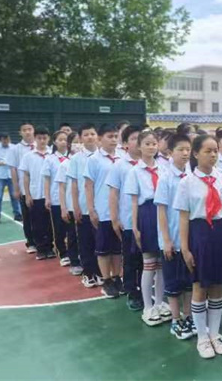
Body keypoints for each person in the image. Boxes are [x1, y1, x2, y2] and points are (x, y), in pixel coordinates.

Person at [175, 134, 222, 359]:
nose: (213, 155)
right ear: (195, 153)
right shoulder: (187, 182)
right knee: (200, 286)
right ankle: (202, 337)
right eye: (208, 151)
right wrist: (185, 247)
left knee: (218, 286)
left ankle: (215, 334)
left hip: (220, 233)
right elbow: (184, 217)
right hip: (199, 234)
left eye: (215, 151)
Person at [125, 130, 171, 325]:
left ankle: (160, 302)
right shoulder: (135, 171)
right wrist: (135, 226)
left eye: (154, 144)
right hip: (146, 215)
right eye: (147, 144)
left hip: (162, 213)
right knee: (149, 264)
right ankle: (147, 307)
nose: (151, 147)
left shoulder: (164, 168)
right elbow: (134, 202)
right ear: (139, 146)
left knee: (161, 264)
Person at [154, 133, 196, 340]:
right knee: (173, 284)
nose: (185, 153)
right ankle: (175, 320)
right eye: (181, 149)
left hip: (187, 240)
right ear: (170, 153)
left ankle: (188, 316)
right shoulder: (165, 178)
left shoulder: (191, 176)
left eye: (188, 149)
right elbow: (161, 211)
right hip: (171, 239)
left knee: (188, 282)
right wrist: (167, 240)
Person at [107, 125, 144, 311]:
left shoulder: (156, 164)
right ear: (125, 144)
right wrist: (115, 219)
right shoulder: (120, 165)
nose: (138, 142)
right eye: (134, 138)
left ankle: (147, 291)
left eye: (142, 138)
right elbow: (113, 194)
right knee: (131, 259)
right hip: (129, 221)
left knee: (149, 259)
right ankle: (132, 291)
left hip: (148, 222)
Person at [84, 124, 122, 299]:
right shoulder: (94, 160)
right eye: (110, 136)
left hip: (121, 212)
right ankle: (106, 280)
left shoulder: (122, 157)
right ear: (100, 139)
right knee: (103, 249)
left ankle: (117, 277)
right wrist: (91, 209)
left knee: (117, 249)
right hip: (103, 211)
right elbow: (89, 185)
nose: (114, 140)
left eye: (115, 136)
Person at [69, 123, 103, 288]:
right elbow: (74, 185)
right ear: (81, 138)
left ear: (97, 136)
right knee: (85, 242)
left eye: (92, 133)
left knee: (101, 242)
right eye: (86, 134)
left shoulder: (103, 157)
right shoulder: (76, 159)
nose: (90, 137)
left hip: (102, 208)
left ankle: (101, 272)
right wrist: (75, 206)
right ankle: (88, 273)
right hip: (83, 207)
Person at [19, 126, 54, 260]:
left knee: (50, 224)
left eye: (45, 138)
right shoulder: (28, 156)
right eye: (39, 138)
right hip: (36, 195)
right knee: (37, 223)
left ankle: (50, 247)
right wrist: (27, 194)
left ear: (49, 139)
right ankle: (40, 248)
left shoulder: (52, 154)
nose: (42, 140)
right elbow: (26, 176)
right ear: (35, 139)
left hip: (50, 196)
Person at [55, 132, 83, 276]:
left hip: (84, 206)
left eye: (81, 142)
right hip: (72, 206)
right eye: (76, 142)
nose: (79, 145)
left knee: (85, 236)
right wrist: (63, 208)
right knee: (72, 235)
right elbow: (61, 188)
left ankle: (85, 259)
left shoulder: (88, 161)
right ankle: (74, 261)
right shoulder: (65, 164)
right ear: (70, 145)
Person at [7, 121, 36, 251]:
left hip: (40, 188)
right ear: (20, 133)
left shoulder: (40, 146)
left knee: (42, 217)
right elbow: (13, 169)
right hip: (25, 188)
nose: (27, 132)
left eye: (29, 129)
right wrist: (16, 188)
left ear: (33, 130)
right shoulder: (16, 149)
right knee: (28, 216)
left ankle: (45, 240)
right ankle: (30, 242)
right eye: (24, 130)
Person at [42, 130, 70, 265]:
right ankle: (63, 253)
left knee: (71, 228)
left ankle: (73, 252)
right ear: (54, 142)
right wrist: (47, 197)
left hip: (70, 199)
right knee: (59, 228)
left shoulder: (73, 158)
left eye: (66, 139)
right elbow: (47, 180)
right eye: (60, 139)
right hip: (56, 198)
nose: (63, 142)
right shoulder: (50, 159)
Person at [0, 132, 21, 224]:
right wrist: (3, 162)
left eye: (7, 139)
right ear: (0, 139)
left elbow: (17, 160)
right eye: (4, 139)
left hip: (11, 175)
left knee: (15, 196)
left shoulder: (14, 147)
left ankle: (17, 214)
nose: (6, 141)